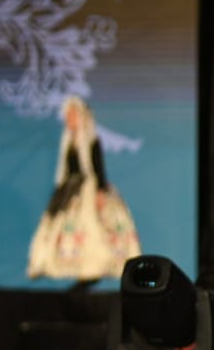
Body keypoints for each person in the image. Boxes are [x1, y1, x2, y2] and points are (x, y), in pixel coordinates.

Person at [25, 96, 141, 285]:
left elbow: (98, 169)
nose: (68, 119)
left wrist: (100, 193)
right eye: (67, 116)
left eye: (71, 115)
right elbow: (65, 172)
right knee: (61, 229)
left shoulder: (92, 141)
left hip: (88, 190)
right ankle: (68, 268)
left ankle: (93, 270)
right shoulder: (68, 142)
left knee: (92, 226)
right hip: (71, 192)